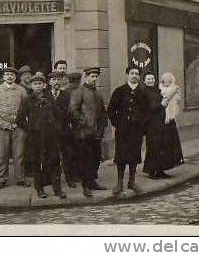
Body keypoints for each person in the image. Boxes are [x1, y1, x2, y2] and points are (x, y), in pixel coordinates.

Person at [17, 74, 67, 199]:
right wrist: (30, 128)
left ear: (44, 85)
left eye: (40, 84)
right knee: (37, 163)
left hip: (51, 137)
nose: (38, 86)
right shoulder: (27, 100)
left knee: (55, 162)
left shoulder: (50, 99)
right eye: (35, 84)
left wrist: (56, 127)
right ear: (31, 86)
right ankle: (39, 189)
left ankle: (57, 189)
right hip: (35, 138)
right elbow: (20, 119)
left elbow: (58, 115)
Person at [0, 67, 29, 189]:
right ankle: (1, 179)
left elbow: (27, 108)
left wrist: (21, 122)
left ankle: (20, 178)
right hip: (2, 128)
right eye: (7, 74)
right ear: (4, 76)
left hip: (18, 127)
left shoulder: (21, 90)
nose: (10, 77)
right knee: (2, 154)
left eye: (12, 75)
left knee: (19, 154)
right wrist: (0, 122)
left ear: (15, 77)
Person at [70, 67, 108, 197]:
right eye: (92, 76)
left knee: (95, 158)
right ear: (86, 77)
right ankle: (85, 185)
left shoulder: (97, 93)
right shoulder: (79, 91)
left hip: (96, 132)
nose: (94, 79)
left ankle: (92, 182)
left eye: (96, 76)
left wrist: (102, 128)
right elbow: (73, 110)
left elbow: (103, 112)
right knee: (85, 159)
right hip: (83, 133)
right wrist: (83, 123)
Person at [108, 66, 146, 195]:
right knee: (121, 155)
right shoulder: (120, 91)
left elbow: (147, 112)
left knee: (134, 155)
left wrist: (141, 124)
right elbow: (111, 109)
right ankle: (119, 183)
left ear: (139, 77)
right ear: (127, 75)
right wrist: (117, 123)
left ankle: (132, 181)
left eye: (137, 74)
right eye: (132, 73)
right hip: (123, 130)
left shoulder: (142, 93)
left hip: (136, 131)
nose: (134, 75)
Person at [142, 73, 184, 179]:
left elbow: (168, 99)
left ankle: (160, 170)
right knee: (153, 147)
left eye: (152, 78)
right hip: (151, 123)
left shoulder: (157, 90)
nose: (151, 80)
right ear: (144, 81)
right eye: (148, 79)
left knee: (161, 146)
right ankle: (151, 171)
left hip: (161, 122)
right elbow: (149, 108)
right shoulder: (143, 93)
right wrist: (161, 105)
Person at [47, 71, 76, 188]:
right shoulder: (45, 95)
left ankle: (70, 179)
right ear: (49, 82)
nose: (56, 82)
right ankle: (52, 179)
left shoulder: (66, 95)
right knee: (52, 156)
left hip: (64, 129)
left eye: (58, 80)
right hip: (50, 130)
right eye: (54, 80)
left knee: (67, 155)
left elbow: (69, 112)